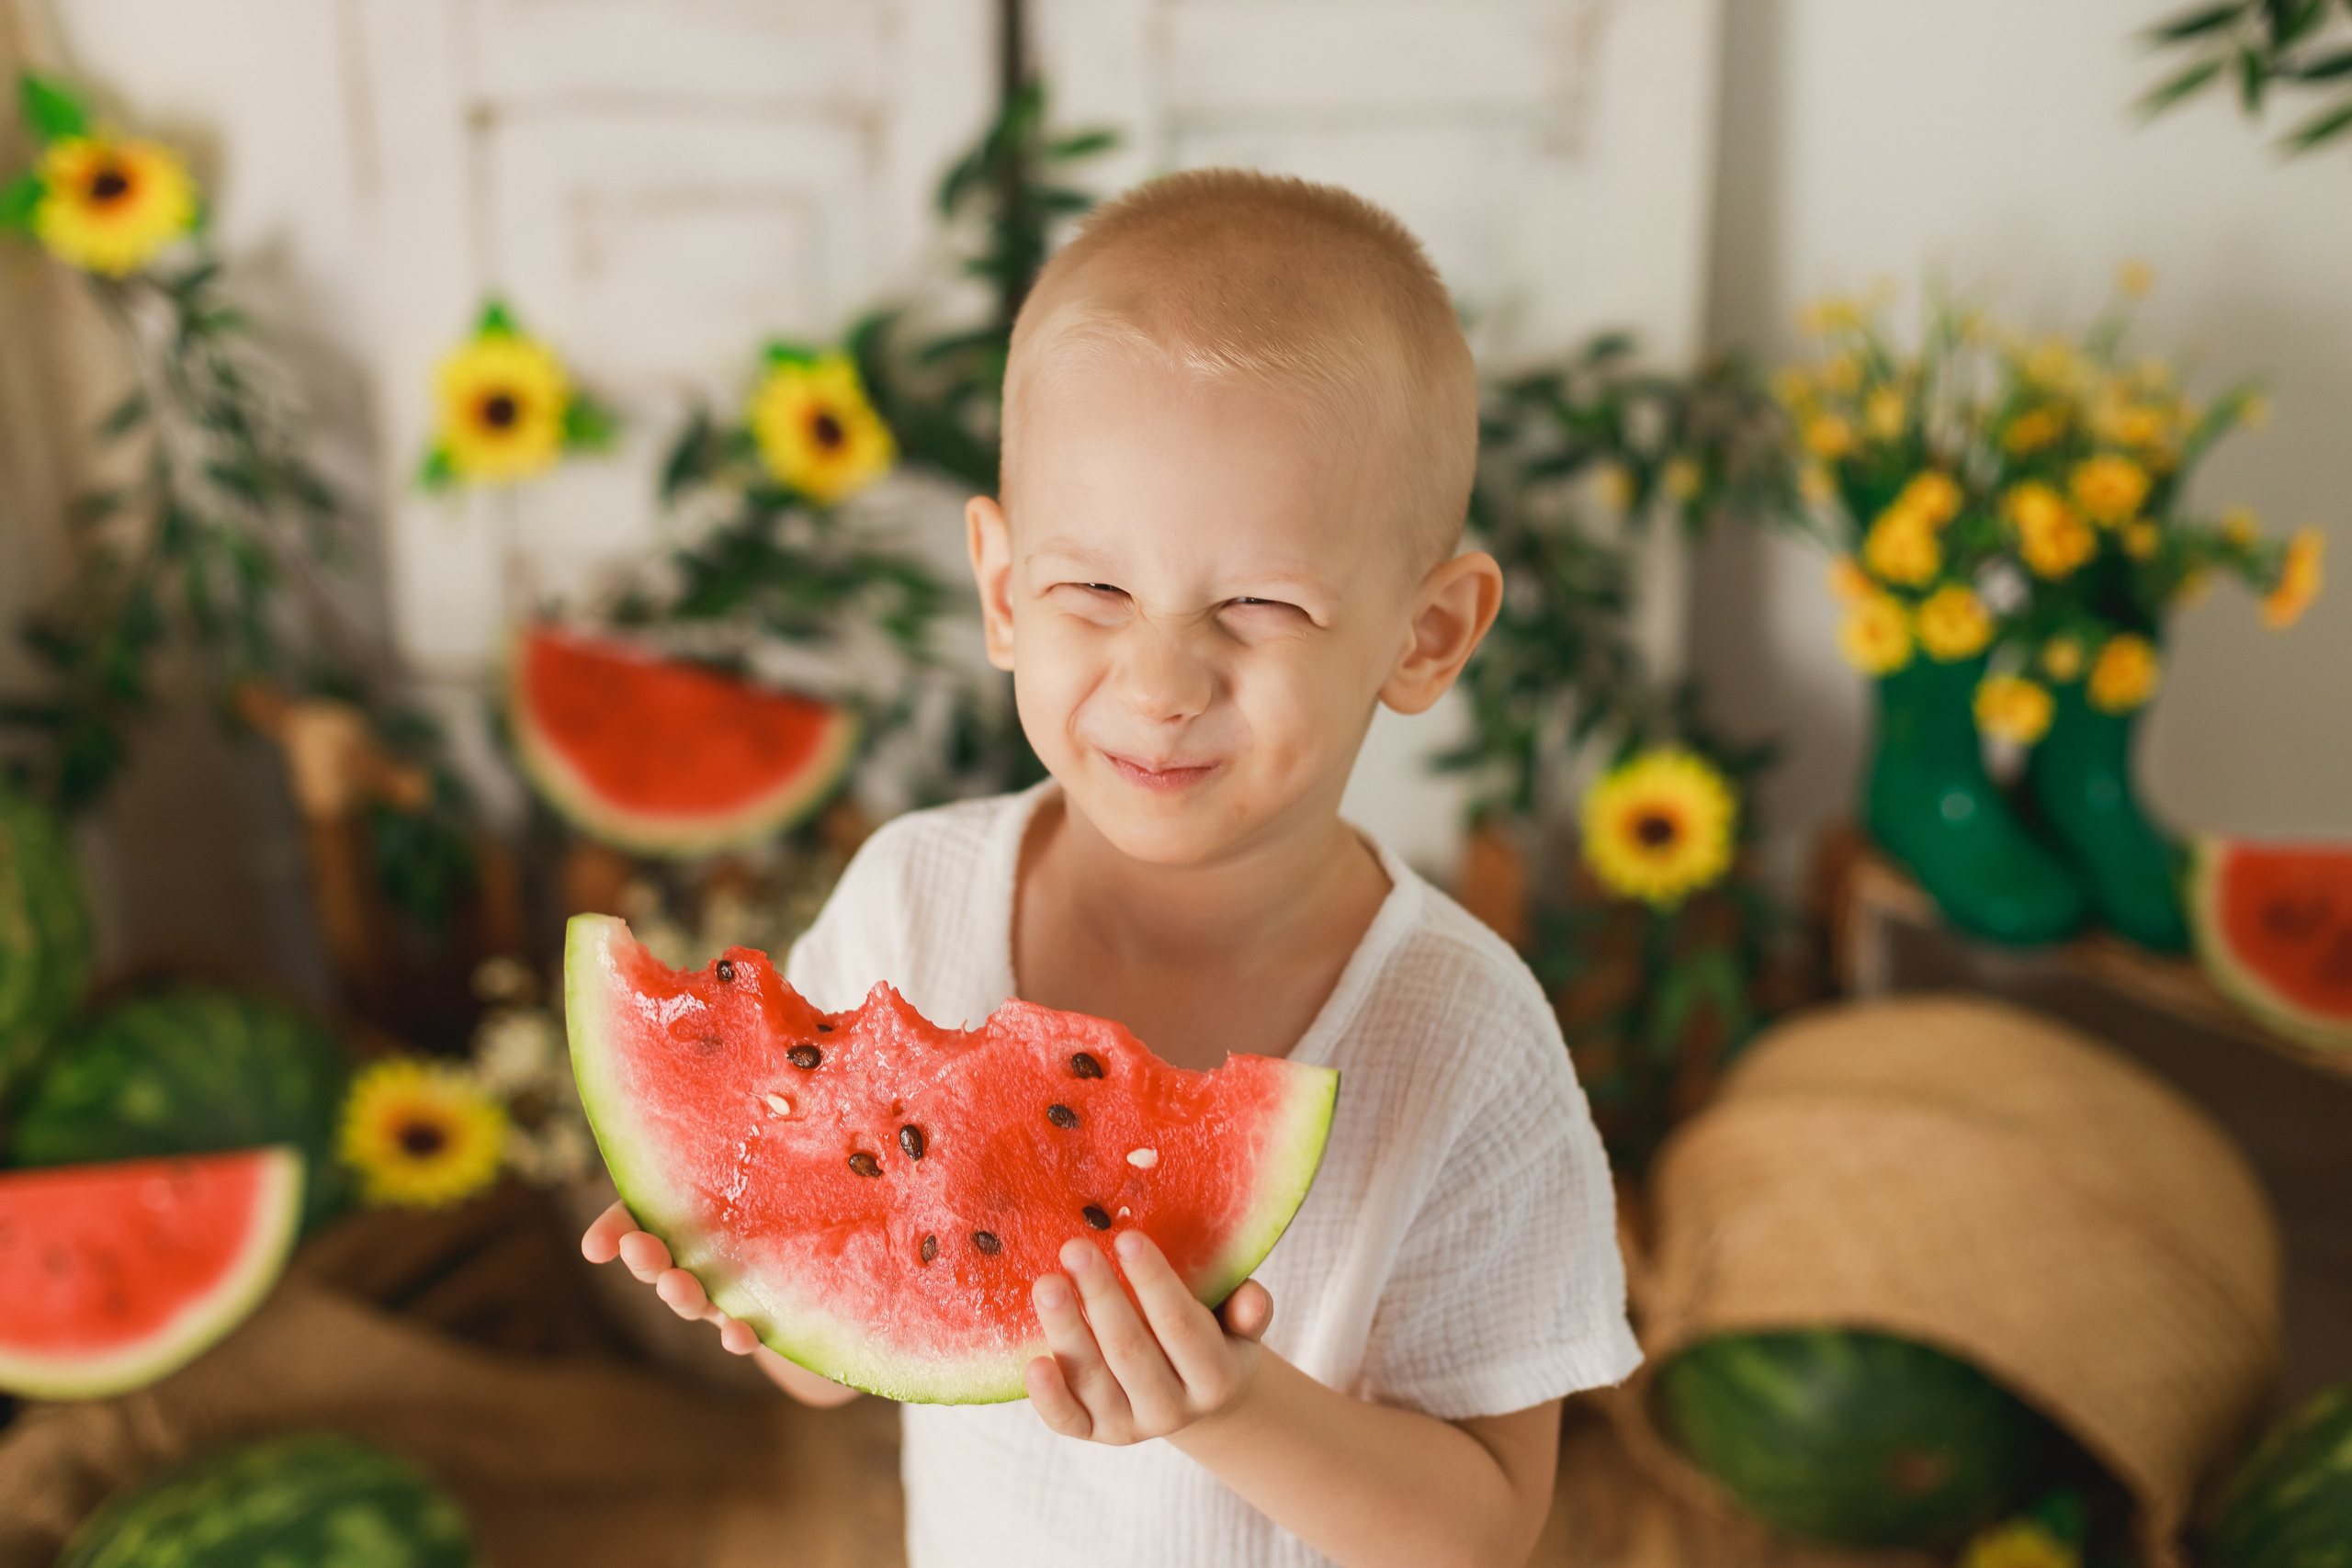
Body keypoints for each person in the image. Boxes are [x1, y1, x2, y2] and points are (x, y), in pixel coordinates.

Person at [582, 168, 1637, 1568]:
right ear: (1001, 591)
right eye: (1094, 591)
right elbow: (841, 1357)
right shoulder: (911, 900)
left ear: (1426, 636)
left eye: (1258, 604)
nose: (1160, 683)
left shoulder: (1469, 1042)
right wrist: (750, 1273)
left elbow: (1484, 1529)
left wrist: (1234, 1410)